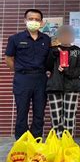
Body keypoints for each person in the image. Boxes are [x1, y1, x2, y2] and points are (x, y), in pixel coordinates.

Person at [5, 9, 51, 139]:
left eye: (37, 19)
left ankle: (36, 140)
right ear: (25, 20)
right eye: (31, 19)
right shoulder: (15, 38)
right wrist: (19, 71)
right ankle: (22, 141)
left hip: (41, 79)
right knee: (22, 111)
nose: (34, 22)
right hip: (22, 79)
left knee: (39, 112)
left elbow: (49, 60)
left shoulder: (46, 39)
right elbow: (8, 59)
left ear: (42, 23)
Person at [45, 25, 80, 137]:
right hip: (54, 86)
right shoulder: (53, 49)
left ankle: (68, 141)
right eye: (63, 34)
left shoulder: (77, 50)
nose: (66, 36)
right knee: (56, 116)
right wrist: (53, 54)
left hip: (72, 87)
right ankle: (57, 141)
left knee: (70, 116)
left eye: (68, 34)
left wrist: (66, 71)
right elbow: (47, 66)